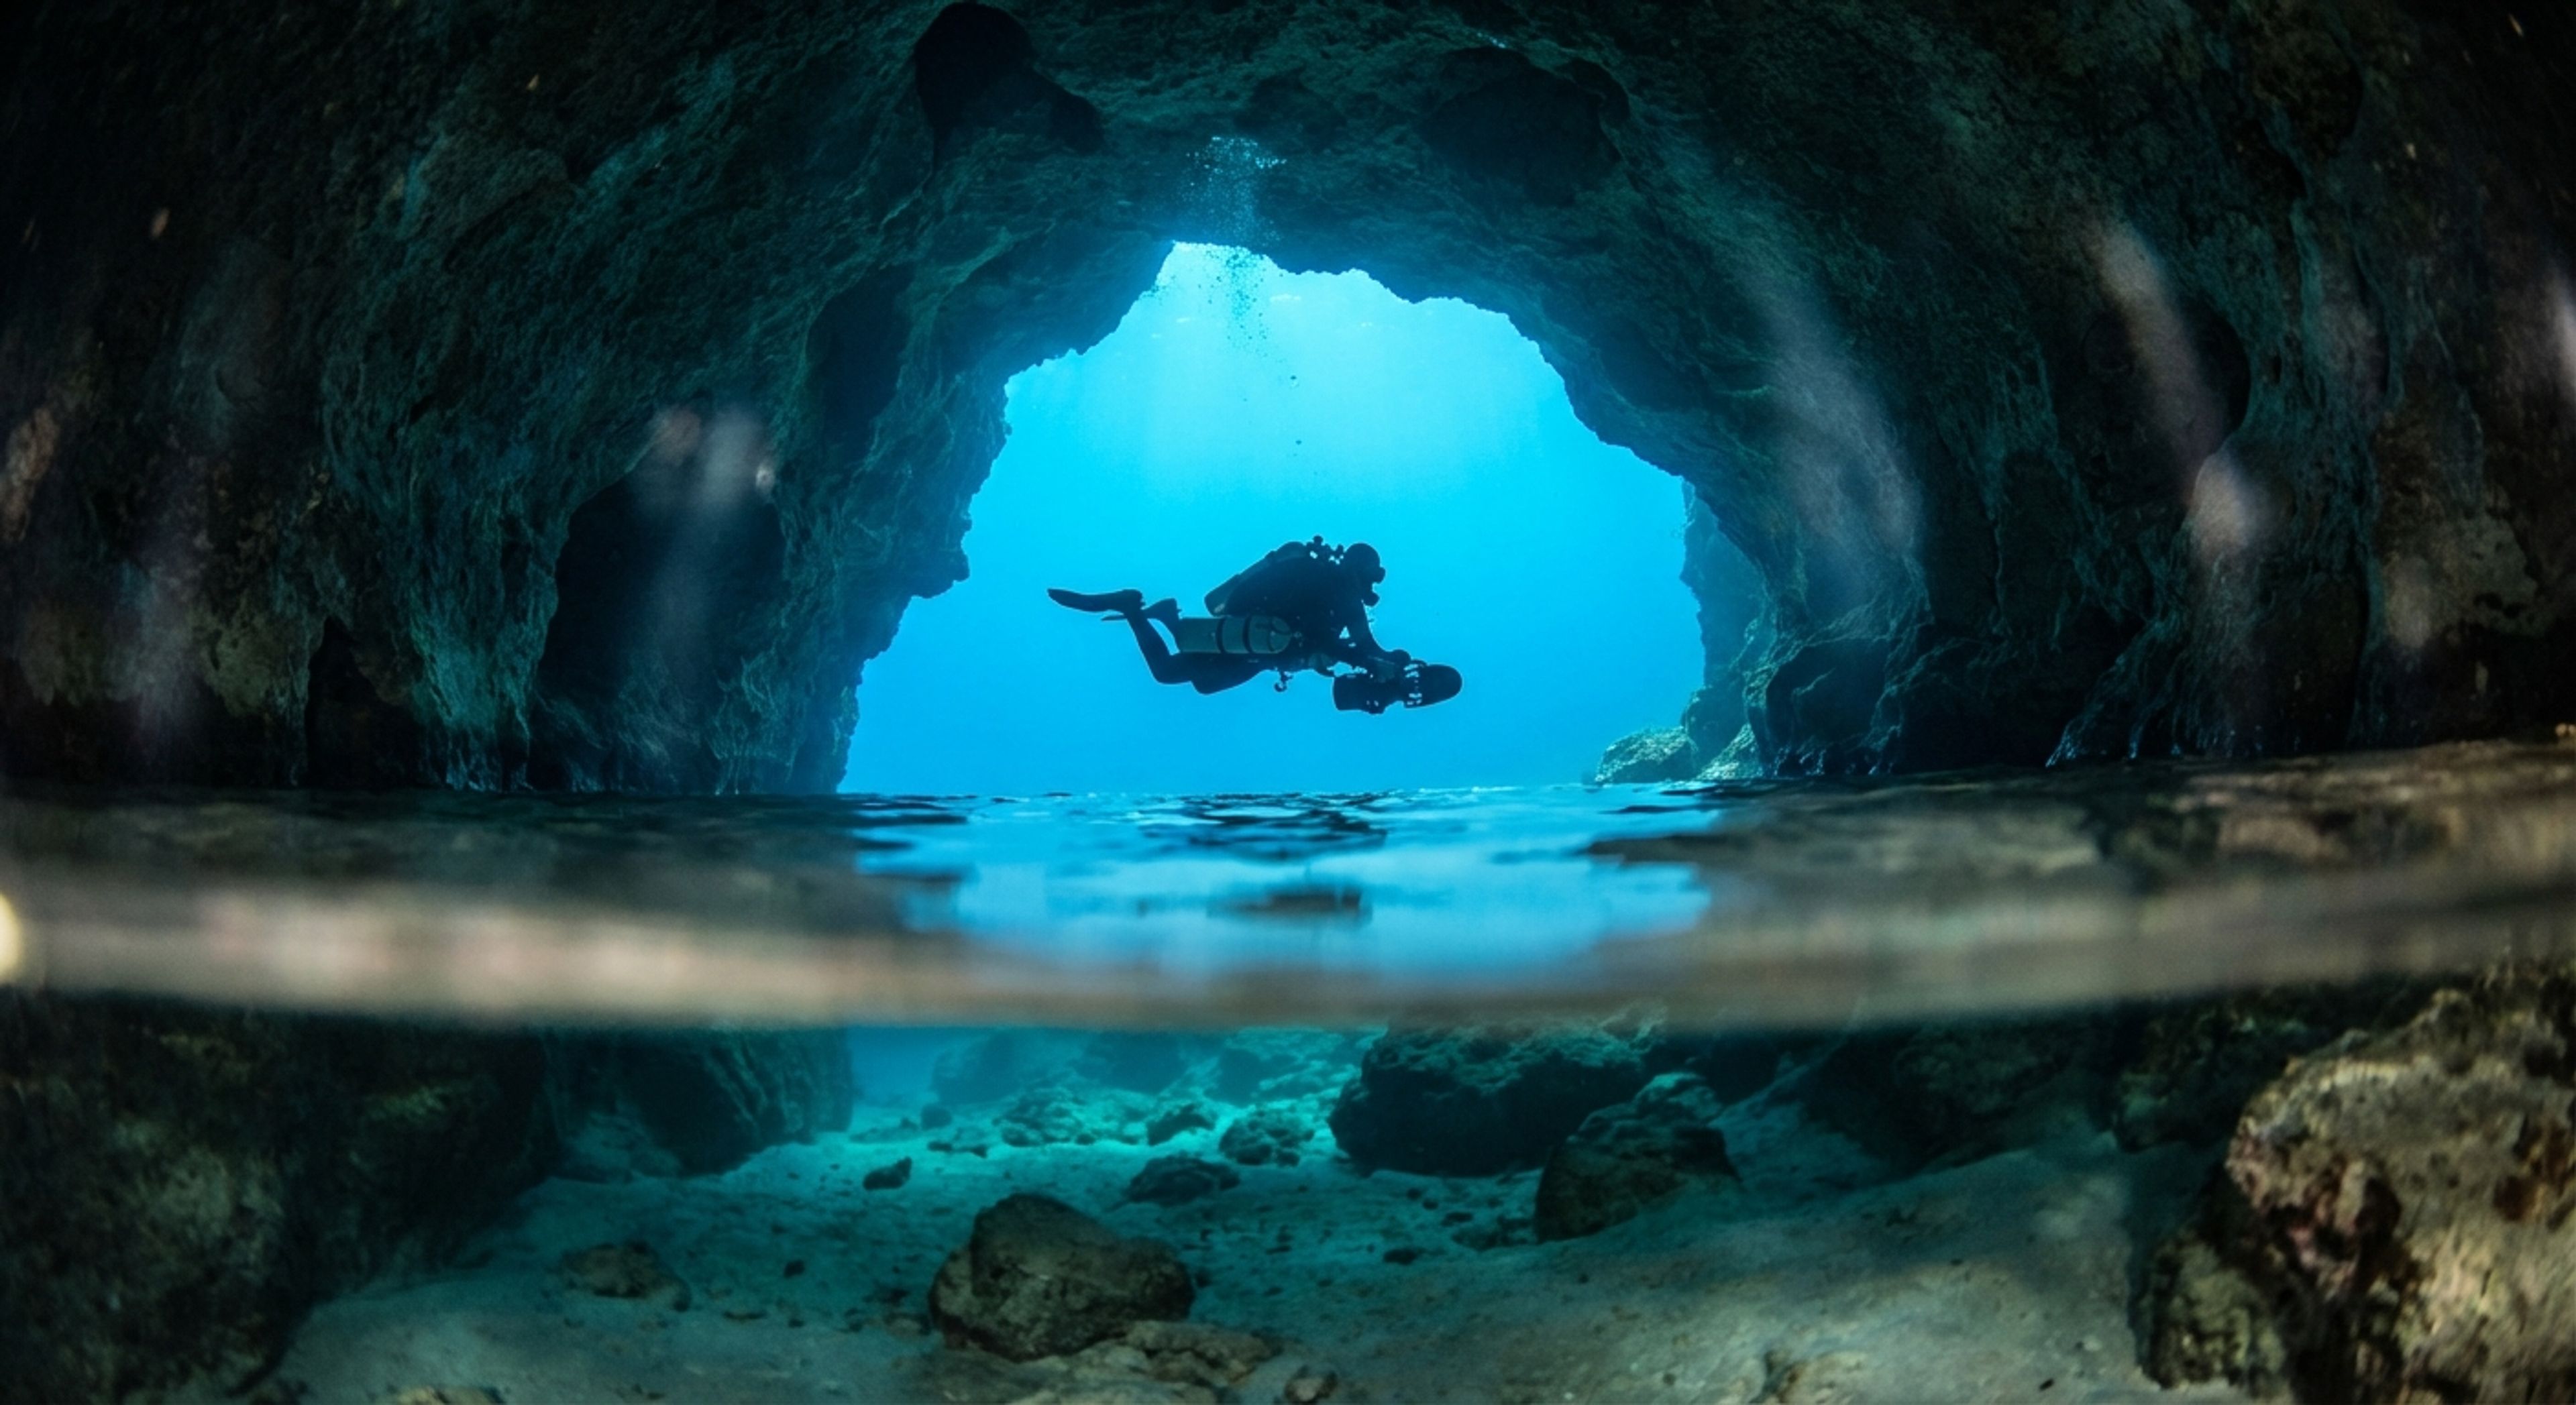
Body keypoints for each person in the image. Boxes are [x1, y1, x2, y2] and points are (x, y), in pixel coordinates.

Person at [1048, 538, 1461, 711]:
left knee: (1204, 683)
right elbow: (1334, 641)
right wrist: (1375, 661)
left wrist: (1390, 660)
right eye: (1374, 575)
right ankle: (1132, 607)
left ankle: (1169, 616)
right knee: (1168, 672)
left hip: (1258, 645)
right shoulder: (1340, 591)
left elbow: (1363, 646)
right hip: (1260, 643)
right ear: (1361, 569)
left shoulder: (1335, 589)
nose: (1374, 584)